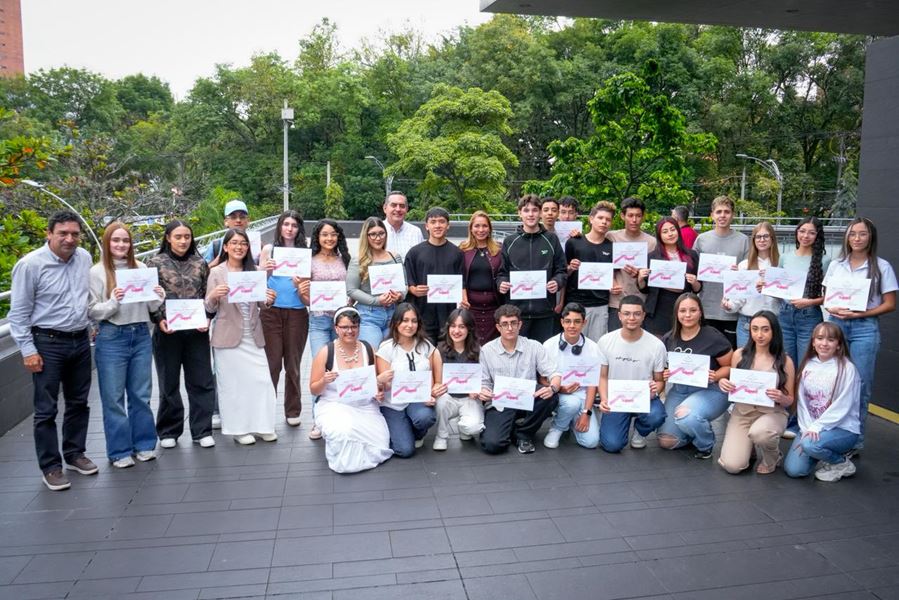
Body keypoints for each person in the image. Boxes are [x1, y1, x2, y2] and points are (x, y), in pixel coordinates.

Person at [10, 210, 98, 491]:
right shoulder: (30, 265)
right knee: (46, 409)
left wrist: (93, 323)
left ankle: (74, 453)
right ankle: (51, 466)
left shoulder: (84, 257)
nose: (69, 239)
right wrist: (27, 350)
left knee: (78, 402)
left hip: (80, 340)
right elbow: (19, 314)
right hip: (47, 343)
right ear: (49, 234)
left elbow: (88, 296)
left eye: (74, 233)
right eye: (63, 233)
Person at [88, 222, 164, 468]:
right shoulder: (97, 272)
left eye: (125, 240)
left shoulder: (141, 267)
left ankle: (144, 444)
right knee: (113, 398)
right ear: (107, 243)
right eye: (116, 240)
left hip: (141, 333)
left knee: (141, 395)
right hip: (112, 337)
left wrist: (158, 296)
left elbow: (151, 307)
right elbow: (92, 312)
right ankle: (119, 451)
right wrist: (113, 302)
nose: (121, 245)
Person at [823, 217, 896, 451]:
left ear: (870, 237)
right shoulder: (837, 264)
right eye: (853, 233)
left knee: (860, 385)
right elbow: (827, 298)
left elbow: (890, 304)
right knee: (832, 382)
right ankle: (829, 434)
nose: (857, 238)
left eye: (862, 234)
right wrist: (831, 307)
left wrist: (861, 314)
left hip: (865, 328)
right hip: (836, 326)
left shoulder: (881, 266)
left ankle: (856, 441)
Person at [147, 220, 217, 450]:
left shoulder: (200, 263)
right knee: (169, 381)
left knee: (201, 381)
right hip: (168, 331)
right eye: (178, 236)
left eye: (187, 236)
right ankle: (169, 429)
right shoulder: (154, 263)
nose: (183, 241)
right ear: (168, 238)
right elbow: (149, 296)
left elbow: (208, 294)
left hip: (196, 331)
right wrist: (159, 318)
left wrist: (207, 316)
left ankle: (202, 430)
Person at [206, 229, 277, 445]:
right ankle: (237, 429)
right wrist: (213, 295)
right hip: (227, 336)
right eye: (234, 243)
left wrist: (269, 298)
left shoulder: (255, 271)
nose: (239, 247)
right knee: (233, 386)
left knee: (261, 381)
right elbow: (209, 306)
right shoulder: (217, 272)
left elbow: (263, 303)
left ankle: (262, 425)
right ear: (225, 247)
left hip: (253, 334)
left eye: (243, 243)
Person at [309, 307, 393, 473]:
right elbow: (313, 389)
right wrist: (324, 381)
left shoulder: (368, 349)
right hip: (334, 404)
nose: (350, 331)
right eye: (345, 327)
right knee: (343, 432)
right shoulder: (326, 352)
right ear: (336, 328)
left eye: (354, 327)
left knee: (381, 442)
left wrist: (379, 390)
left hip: (364, 405)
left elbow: (376, 385)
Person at [717, 310, 796, 475]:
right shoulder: (739, 355)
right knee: (732, 466)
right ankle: (748, 446)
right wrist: (723, 383)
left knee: (761, 433)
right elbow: (734, 384)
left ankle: (773, 457)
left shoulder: (785, 361)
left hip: (772, 413)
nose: (759, 334)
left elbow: (790, 400)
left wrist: (782, 397)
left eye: (765, 329)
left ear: (774, 331)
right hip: (743, 412)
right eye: (755, 329)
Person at [656, 293, 733, 459]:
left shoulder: (713, 336)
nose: (688, 315)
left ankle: (705, 444)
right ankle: (693, 428)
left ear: (700, 313)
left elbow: (731, 366)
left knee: (687, 416)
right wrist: (665, 373)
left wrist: (715, 375)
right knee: (667, 441)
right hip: (680, 390)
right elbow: (663, 369)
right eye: (683, 310)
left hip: (711, 389)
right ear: (676, 313)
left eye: (693, 310)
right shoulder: (669, 338)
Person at [478, 304, 561, 454]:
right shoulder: (487, 350)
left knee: (551, 396)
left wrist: (553, 387)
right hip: (500, 403)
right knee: (493, 445)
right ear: (498, 327)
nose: (509, 328)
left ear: (520, 324)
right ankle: (511, 428)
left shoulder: (534, 346)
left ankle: (523, 434)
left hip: (527, 401)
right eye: (505, 324)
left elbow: (554, 374)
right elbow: (484, 382)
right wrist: (483, 391)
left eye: (513, 323)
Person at [784, 322, 861, 482]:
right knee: (794, 470)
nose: (824, 343)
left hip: (842, 429)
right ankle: (821, 454)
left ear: (839, 345)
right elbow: (803, 404)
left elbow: (843, 406)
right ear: (813, 342)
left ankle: (841, 463)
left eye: (831, 340)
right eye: (819, 338)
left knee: (811, 445)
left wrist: (816, 429)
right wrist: (807, 429)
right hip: (811, 428)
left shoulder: (847, 368)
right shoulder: (807, 365)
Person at [596, 295, 667, 453]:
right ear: (619, 315)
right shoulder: (605, 341)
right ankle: (615, 421)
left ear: (643, 315)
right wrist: (605, 400)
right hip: (616, 400)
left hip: (644, 399)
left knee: (656, 415)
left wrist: (654, 390)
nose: (631, 318)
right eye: (627, 313)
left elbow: (660, 380)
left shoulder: (656, 345)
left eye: (636, 313)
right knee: (612, 445)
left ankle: (640, 432)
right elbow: (602, 376)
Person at [258, 210, 309, 427]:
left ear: (299, 229)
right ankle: (267, 411)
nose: (289, 228)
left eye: (294, 225)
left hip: (297, 311)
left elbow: (308, 285)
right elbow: (257, 281)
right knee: (271, 364)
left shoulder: (304, 252)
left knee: (293, 364)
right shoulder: (269, 250)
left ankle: (293, 410)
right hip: (272, 312)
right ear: (279, 226)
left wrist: (302, 284)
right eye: (286, 224)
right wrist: (264, 270)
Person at [496, 194, 567, 343]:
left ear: (540, 213)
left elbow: (562, 270)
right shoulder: (510, 241)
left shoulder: (551, 239)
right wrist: (501, 283)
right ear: (519, 213)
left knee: (542, 358)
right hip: (516, 314)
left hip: (544, 312)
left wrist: (557, 282)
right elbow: (502, 272)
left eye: (534, 210)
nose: (530, 214)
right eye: (526, 210)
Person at [375, 303, 440, 457]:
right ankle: (400, 429)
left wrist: (431, 392)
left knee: (425, 417)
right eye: (405, 320)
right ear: (396, 322)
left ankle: (417, 432)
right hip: (393, 404)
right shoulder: (386, 348)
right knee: (405, 450)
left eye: (414, 321)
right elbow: (386, 386)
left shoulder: (425, 345)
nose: (410, 325)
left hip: (417, 400)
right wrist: (382, 380)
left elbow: (432, 374)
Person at [541, 303, 600, 449]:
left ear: (584, 323)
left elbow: (593, 383)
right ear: (561, 322)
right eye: (568, 321)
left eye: (577, 321)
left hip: (584, 398)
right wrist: (559, 389)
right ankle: (558, 427)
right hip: (559, 396)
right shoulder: (549, 345)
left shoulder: (593, 348)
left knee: (591, 442)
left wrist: (587, 413)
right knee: (571, 403)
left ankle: (572, 420)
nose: (572, 326)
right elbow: (541, 379)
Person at [693, 195, 750, 347]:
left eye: (727, 211)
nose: (722, 215)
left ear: (733, 215)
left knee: (730, 354)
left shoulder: (743, 240)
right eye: (718, 212)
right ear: (712, 215)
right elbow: (693, 271)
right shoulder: (701, 240)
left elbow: (748, 275)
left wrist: (739, 271)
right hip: (706, 307)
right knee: (707, 353)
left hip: (732, 310)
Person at [404, 207, 464, 344]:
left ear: (448, 225)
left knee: (448, 356)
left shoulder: (457, 253)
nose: (437, 225)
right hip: (423, 315)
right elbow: (407, 282)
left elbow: (462, 282)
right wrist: (413, 289)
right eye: (433, 222)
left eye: (442, 222)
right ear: (427, 226)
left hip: (450, 317)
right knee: (425, 356)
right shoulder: (414, 253)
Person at [562, 201, 619, 342]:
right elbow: (564, 273)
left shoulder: (612, 247)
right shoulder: (574, 242)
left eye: (608, 220)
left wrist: (614, 286)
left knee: (597, 346)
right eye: (600, 218)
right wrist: (570, 268)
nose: (604, 222)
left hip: (600, 304)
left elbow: (612, 274)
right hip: (575, 303)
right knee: (572, 344)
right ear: (591, 219)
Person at [346, 216, 405, 350]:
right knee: (371, 356)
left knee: (391, 357)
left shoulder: (395, 257)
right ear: (366, 236)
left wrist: (400, 295)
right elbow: (351, 290)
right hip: (369, 315)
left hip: (393, 314)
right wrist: (376, 300)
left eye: (381, 233)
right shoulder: (358, 260)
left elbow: (404, 285)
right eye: (372, 234)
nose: (377, 238)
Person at [637, 217, 702, 336]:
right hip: (658, 310)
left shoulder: (691, 255)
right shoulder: (652, 257)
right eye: (665, 231)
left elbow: (698, 288)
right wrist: (640, 278)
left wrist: (694, 282)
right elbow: (644, 289)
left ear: (678, 230)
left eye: (673, 229)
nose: (670, 234)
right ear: (659, 235)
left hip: (683, 309)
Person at [722, 221, 781, 348]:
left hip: (773, 323)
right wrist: (728, 305)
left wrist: (770, 287)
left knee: (770, 364)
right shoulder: (744, 265)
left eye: (766, 236)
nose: (762, 240)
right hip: (747, 323)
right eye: (758, 237)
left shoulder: (780, 265)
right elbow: (738, 298)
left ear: (772, 239)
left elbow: (787, 298)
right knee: (745, 364)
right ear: (753, 240)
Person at [432, 308, 485, 450]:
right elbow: (437, 381)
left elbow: (483, 379)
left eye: (462, 327)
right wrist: (437, 388)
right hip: (448, 397)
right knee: (441, 402)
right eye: (453, 326)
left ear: (469, 329)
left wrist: (478, 390)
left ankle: (464, 426)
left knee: (473, 428)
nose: (456, 331)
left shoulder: (479, 350)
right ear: (448, 327)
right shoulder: (439, 350)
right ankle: (441, 435)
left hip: (470, 398)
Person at [607, 197, 657, 330]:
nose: (634, 220)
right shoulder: (611, 237)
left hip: (641, 302)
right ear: (622, 216)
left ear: (643, 216)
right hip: (616, 301)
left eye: (638, 216)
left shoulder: (651, 242)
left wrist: (640, 275)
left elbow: (654, 274)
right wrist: (611, 281)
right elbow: (600, 261)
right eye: (630, 215)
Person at [459, 211, 503, 345]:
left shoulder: (499, 250)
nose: (481, 230)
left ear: (490, 229)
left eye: (484, 226)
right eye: (477, 226)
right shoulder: (462, 250)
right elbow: (459, 277)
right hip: (471, 308)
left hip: (494, 308)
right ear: (471, 229)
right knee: (472, 345)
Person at [203, 199, 251, 263]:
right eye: (233, 217)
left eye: (242, 217)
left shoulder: (256, 244)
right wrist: (213, 265)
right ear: (226, 222)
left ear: (248, 221)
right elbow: (202, 271)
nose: (238, 220)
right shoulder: (216, 246)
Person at [383, 191, 423, 259]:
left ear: (407, 209)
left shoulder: (416, 232)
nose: (398, 209)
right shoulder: (375, 231)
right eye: (393, 205)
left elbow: (421, 259)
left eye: (402, 206)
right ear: (385, 208)